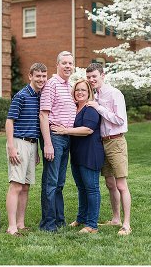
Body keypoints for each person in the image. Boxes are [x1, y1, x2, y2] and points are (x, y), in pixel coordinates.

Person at [51, 79, 104, 234]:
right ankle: (81, 218)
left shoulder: (90, 109)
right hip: (77, 154)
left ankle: (92, 225)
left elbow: (88, 129)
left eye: (83, 90)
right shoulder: (74, 108)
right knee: (81, 188)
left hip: (90, 154)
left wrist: (65, 130)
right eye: (77, 90)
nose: (80, 92)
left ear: (89, 93)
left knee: (92, 189)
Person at [86, 62, 132, 235]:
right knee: (110, 183)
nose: (91, 80)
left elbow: (120, 120)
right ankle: (115, 218)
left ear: (102, 75)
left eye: (94, 77)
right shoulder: (94, 95)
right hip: (101, 142)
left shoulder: (114, 94)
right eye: (89, 77)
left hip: (116, 142)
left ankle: (126, 224)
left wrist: (99, 108)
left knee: (121, 184)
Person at [4, 62, 47, 236]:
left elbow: (35, 125)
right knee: (16, 185)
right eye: (38, 76)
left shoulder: (40, 96)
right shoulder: (21, 96)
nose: (41, 79)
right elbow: (9, 121)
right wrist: (11, 147)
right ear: (30, 76)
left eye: (44, 76)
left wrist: (35, 150)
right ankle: (11, 226)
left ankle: (21, 224)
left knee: (26, 186)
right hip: (18, 143)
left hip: (32, 143)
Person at [38, 51, 76, 232]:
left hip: (67, 138)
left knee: (60, 183)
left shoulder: (69, 86)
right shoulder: (52, 84)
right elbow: (43, 115)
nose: (68, 66)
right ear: (57, 65)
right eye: (65, 63)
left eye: (71, 63)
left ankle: (59, 220)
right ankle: (48, 224)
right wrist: (47, 143)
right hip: (54, 138)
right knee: (51, 182)